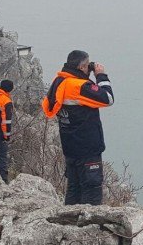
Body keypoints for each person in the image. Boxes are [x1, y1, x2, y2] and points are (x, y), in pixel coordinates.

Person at [42, 50, 114, 205]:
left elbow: (48, 107)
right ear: (82, 67)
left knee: (74, 189)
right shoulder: (79, 86)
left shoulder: (59, 82)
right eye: (88, 66)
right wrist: (101, 75)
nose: (90, 68)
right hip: (87, 148)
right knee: (91, 191)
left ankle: (68, 223)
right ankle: (89, 227)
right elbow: (108, 99)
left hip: (70, 147)